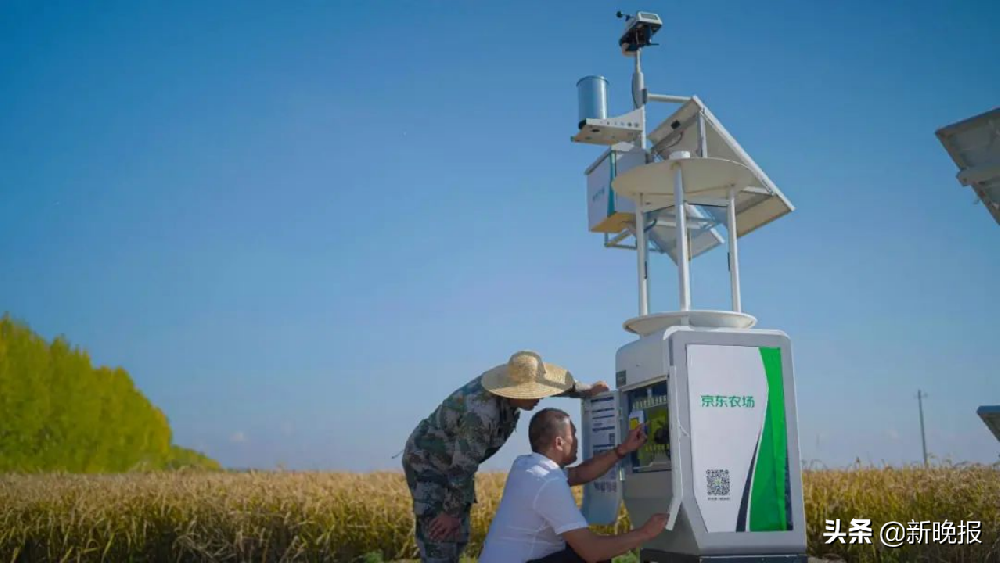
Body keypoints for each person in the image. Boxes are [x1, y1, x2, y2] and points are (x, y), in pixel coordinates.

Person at [401, 350, 609, 563]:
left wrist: (587, 390)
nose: (538, 397)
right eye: (531, 392)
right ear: (512, 391)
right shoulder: (481, 414)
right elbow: (463, 466)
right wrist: (450, 512)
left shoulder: (512, 387)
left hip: (456, 461)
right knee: (441, 536)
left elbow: (553, 385)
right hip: (429, 463)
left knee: (458, 534)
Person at [478, 407, 668, 563]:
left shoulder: (526, 465)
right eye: (573, 435)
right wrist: (645, 533)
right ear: (559, 443)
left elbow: (579, 473)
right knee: (598, 556)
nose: (576, 441)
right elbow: (592, 552)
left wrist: (622, 450)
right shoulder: (548, 482)